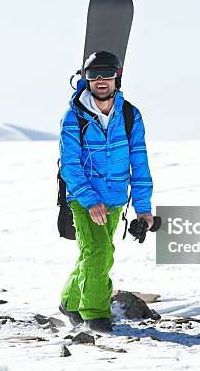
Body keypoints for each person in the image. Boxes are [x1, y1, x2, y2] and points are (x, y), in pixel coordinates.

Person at [58, 51, 154, 332]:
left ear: (117, 77)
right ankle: (95, 313)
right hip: (83, 198)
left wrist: (143, 207)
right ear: (85, 79)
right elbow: (70, 165)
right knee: (100, 251)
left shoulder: (129, 115)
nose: (100, 80)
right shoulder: (73, 117)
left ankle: (69, 300)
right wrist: (89, 200)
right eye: (93, 74)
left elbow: (139, 161)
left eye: (106, 74)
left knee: (92, 253)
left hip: (114, 199)